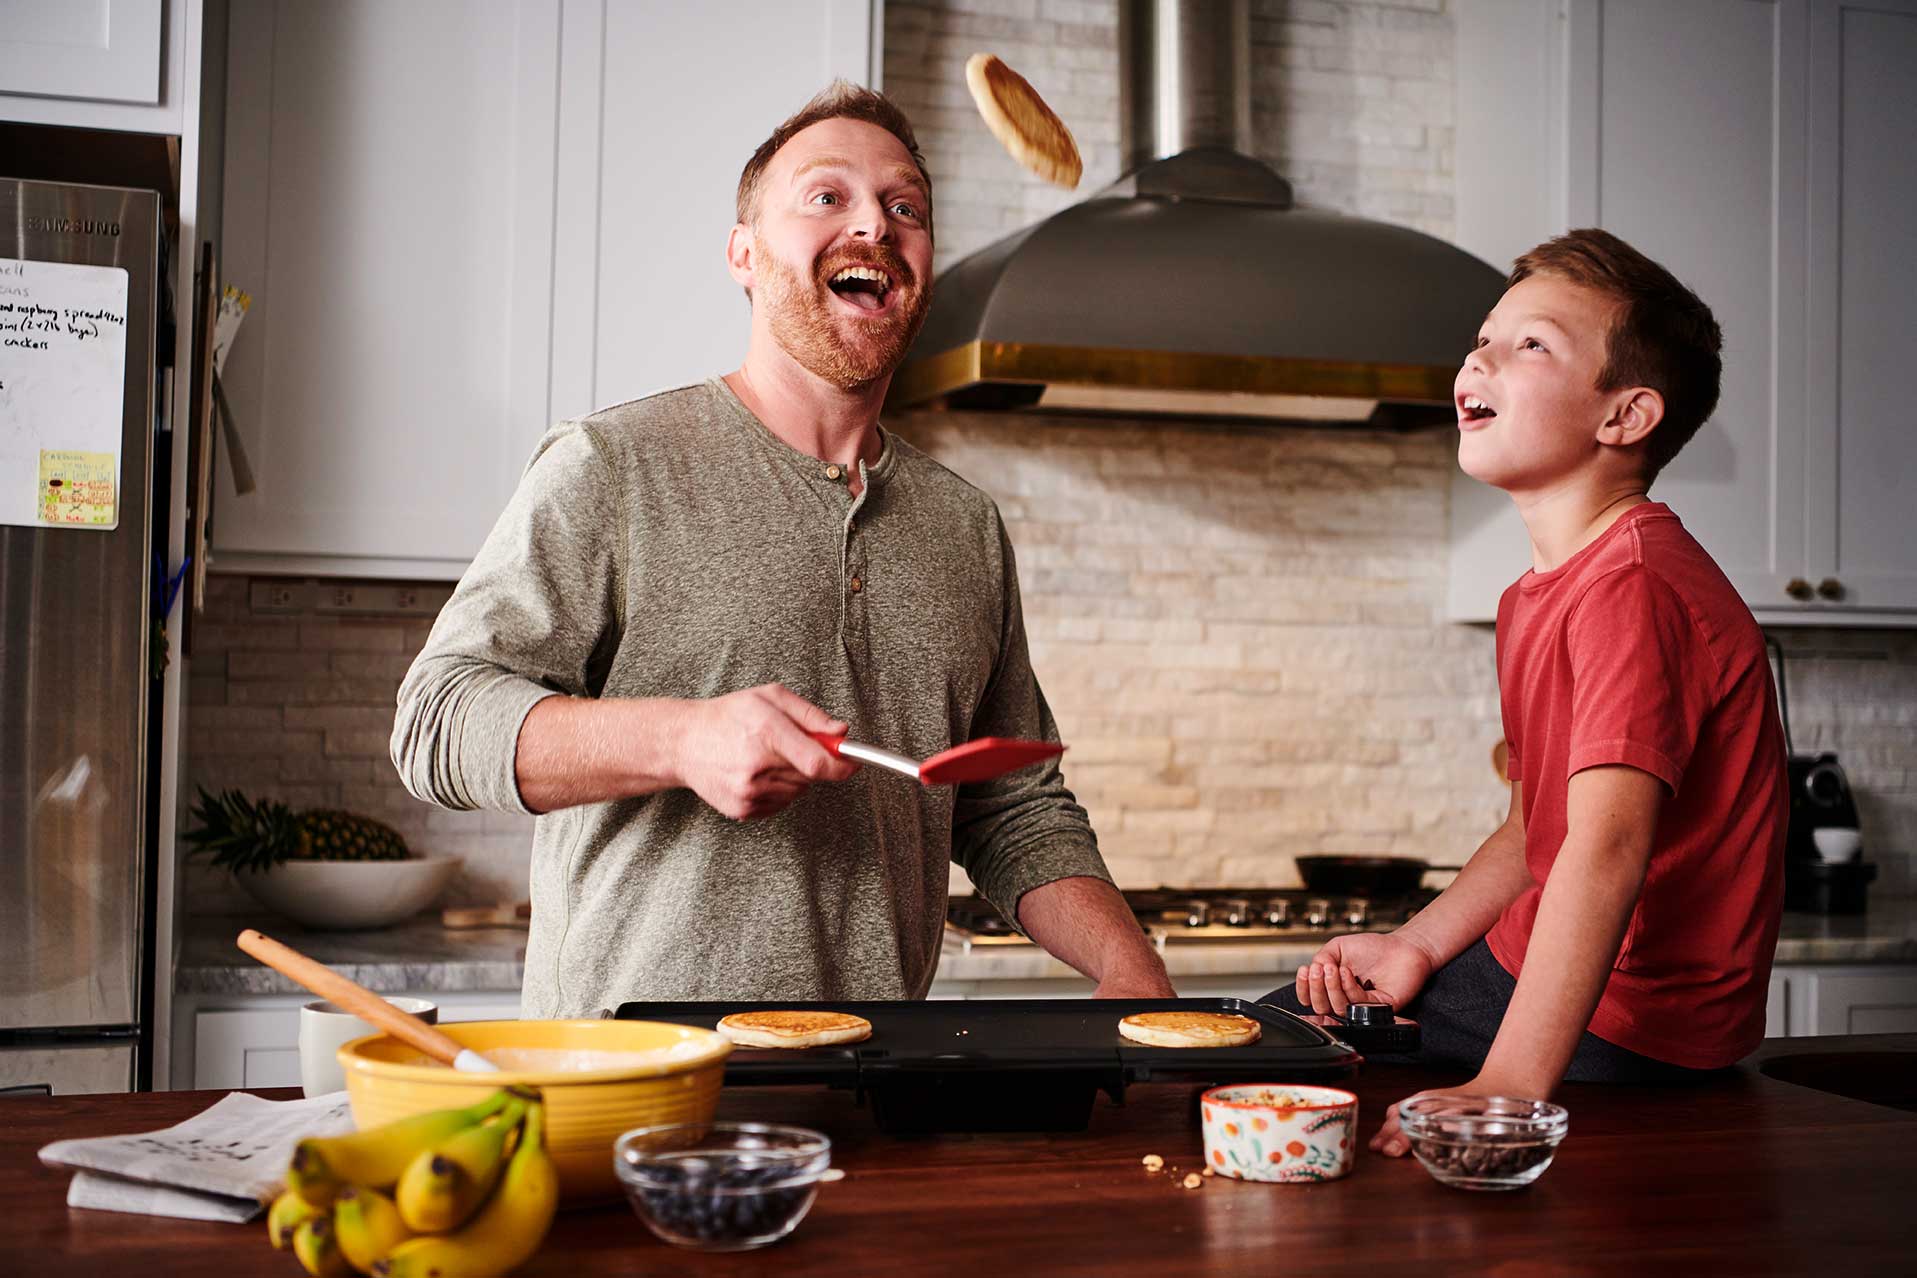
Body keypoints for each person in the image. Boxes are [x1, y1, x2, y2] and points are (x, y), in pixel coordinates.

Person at [390, 82, 1172, 1018]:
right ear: (745, 255)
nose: (874, 226)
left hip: (870, 1083)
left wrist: (1130, 968)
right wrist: (682, 740)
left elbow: (1010, 805)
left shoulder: (963, 526)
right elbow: (436, 724)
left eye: (904, 207)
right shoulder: (613, 466)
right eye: (826, 196)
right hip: (637, 1091)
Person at [1270, 229, 1787, 1155]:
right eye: (1482, 340)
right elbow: (1532, 830)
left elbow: (1605, 849)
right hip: (1537, 968)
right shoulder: (1544, 590)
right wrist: (1418, 948)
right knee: (1258, 1038)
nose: (1479, 358)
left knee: (1253, 1053)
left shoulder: (1633, 588)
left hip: (1634, 1014)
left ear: (1623, 417)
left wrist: (1507, 1084)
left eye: (1530, 345)